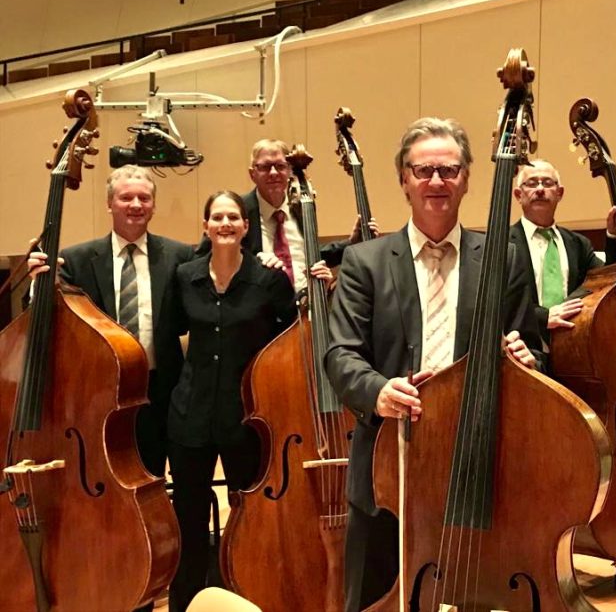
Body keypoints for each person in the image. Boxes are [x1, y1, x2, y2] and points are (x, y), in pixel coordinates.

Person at [324, 117, 542, 612]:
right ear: (404, 180)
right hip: (388, 465)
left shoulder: (504, 259)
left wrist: (529, 359)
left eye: (449, 170)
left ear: (467, 178)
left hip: (480, 462)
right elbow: (340, 353)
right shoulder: (364, 261)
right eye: (423, 170)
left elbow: (532, 346)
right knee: (375, 599)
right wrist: (379, 390)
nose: (436, 181)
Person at [166, 190, 330, 611]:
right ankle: (188, 604)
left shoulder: (268, 279)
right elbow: (170, 331)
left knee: (248, 516)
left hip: (247, 418)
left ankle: (246, 598)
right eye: (217, 217)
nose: (225, 224)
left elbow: (295, 334)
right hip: (191, 415)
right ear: (206, 226)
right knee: (188, 518)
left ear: (245, 226)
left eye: (233, 217)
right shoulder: (185, 276)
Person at [27, 165, 193, 480]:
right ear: (109, 204)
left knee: (155, 478)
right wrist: (39, 283)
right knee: (105, 477)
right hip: (100, 391)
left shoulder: (181, 255)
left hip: (161, 390)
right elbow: (51, 317)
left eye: (144, 198)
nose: (136, 205)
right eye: (126, 197)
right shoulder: (75, 259)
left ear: (153, 206)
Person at [197, 138, 378, 294]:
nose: (273, 173)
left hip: (305, 305)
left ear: (290, 170)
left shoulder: (303, 205)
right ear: (252, 174)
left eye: (280, 166)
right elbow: (204, 258)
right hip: (258, 309)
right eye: (265, 167)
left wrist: (351, 243)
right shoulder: (236, 211)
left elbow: (306, 254)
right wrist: (250, 265)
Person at [509, 159, 616, 334]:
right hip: (522, 343)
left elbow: (604, 281)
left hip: (572, 340)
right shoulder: (504, 244)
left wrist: (613, 234)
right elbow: (502, 300)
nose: (540, 189)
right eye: (531, 183)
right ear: (518, 195)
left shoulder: (578, 244)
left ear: (559, 193)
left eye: (547, 183)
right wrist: (543, 317)